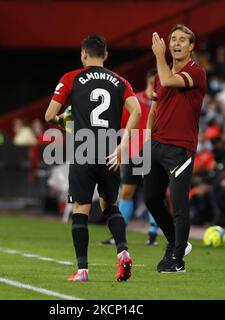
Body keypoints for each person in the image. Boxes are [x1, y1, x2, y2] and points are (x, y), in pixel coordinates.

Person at [45, 34, 141, 282]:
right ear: (106, 55)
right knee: (110, 206)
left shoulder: (71, 78)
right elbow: (137, 111)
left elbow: (49, 115)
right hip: (111, 150)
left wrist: (64, 121)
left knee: (80, 208)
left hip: (83, 150)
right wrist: (122, 146)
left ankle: (83, 270)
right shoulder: (120, 81)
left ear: (83, 54)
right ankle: (123, 252)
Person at [144, 24, 206, 273]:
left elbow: (169, 82)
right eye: (173, 39)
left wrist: (159, 55)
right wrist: (148, 137)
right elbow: (154, 108)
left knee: (179, 204)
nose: (176, 43)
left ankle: (177, 259)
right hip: (156, 145)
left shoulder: (197, 72)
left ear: (191, 46)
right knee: (150, 200)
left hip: (180, 148)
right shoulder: (161, 73)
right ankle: (175, 242)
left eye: (182, 39)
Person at [101, 68, 159, 246]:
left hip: (154, 152)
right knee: (127, 192)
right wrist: (121, 146)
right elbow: (124, 124)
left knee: (153, 194)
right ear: (149, 80)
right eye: (153, 81)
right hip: (134, 152)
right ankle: (119, 233)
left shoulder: (163, 101)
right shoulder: (136, 100)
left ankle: (153, 233)